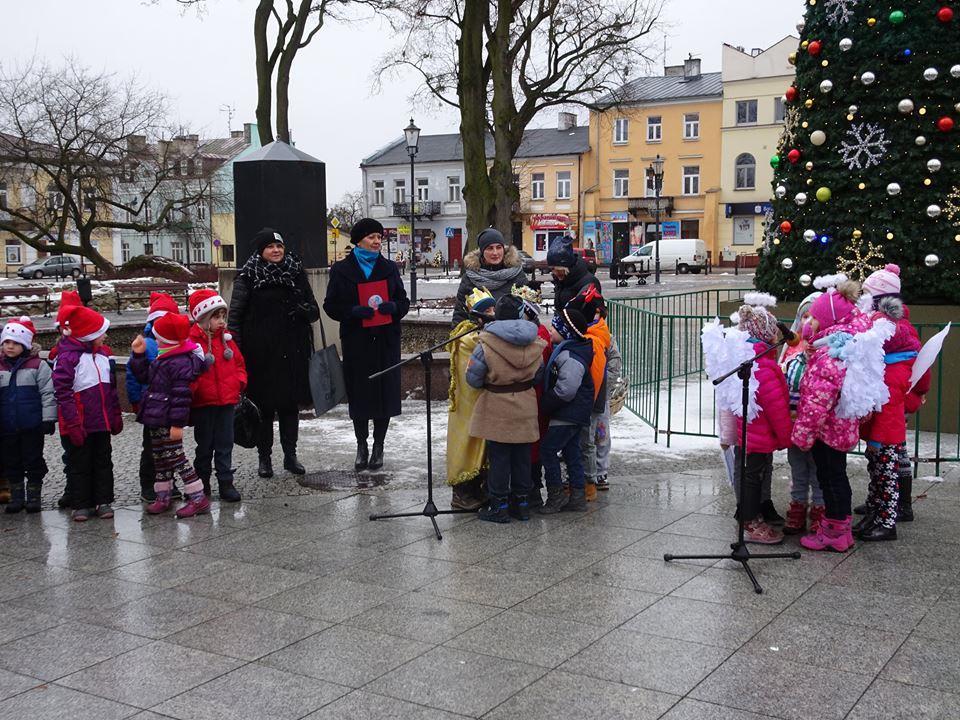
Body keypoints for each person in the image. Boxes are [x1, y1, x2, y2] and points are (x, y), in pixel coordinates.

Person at [792, 276, 881, 552]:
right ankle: (838, 526)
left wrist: (803, 435)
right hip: (841, 427)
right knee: (836, 477)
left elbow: (817, 402)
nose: (809, 324)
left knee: (830, 480)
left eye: (814, 320)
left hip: (827, 430)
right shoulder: (843, 348)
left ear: (829, 322)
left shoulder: (829, 357)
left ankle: (834, 532)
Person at [229, 228, 320, 478]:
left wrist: (305, 311)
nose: (276, 250)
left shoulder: (296, 272)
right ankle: (264, 458)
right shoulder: (247, 277)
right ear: (261, 251)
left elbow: (314, 311)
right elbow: (234, 317)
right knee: (264, 409)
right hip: (259, 354)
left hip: (293, 351)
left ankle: (290, 456)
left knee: (290, 408)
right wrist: (236, 350)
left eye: (279, 246)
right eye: (270, 246)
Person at [323, 218, 410, 471]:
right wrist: (352, 311)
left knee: (384, 395)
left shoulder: (389, 268)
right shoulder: (341, 270)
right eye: (372, 237)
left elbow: (403, 301)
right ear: (359, 239)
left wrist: (394, 308)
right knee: (360, 395)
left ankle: (379, 446)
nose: (376, 242)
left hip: (385, 341)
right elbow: (330, 305)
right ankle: (362, 445)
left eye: (379, 238)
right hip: (356, 342)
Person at [465, 294, 546, 522]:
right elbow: (539, 374)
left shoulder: (486, 343)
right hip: (526, 405)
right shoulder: (534, 341)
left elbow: (473, 378)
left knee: (499, 457)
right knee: (522, 456)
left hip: (497, 407)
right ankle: (521, 504)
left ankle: (499, 506)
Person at [854, 293, 920, 542]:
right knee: (878, 474)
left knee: (886, 476)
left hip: (887, 434)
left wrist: (877, 439)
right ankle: (875, 514)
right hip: (878, 432)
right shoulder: (884, 363)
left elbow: (908, 393)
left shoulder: (896, 366)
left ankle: (886, 521)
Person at [130, 312, 208, 518]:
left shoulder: (179, 363)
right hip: (155, 417)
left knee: (177, 458)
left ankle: (198, 496)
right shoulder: (163, 358)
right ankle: (162, 494)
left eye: (157, 337)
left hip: (167, 419)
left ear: (165, 339)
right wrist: (138, 355)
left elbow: (182, 398)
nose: (155, 340)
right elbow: (144, 377)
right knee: (160, 459)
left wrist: (177, 425)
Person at [53, 305, 123, 522]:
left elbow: (111, 390)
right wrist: (73, 424)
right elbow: (63, 393)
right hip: (80, 424)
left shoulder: (103, 356)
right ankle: (81, 503)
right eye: (101, 332)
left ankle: (103, 501)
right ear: (88, 335)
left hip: (101, 422)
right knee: (79, 463)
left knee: (103, 461)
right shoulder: (68, 359)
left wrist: (115, 415)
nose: (105, 336)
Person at [731, 300, 793, 544]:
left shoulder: (752, 358)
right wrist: (787, 437)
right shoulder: (763, 365)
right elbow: (776, 408)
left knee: (752, 475)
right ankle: (750, 522)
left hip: (753, 432)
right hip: (758, 434)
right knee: (752, 477)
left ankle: (752, 518)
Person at [188, 289, 246, 502]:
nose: (222, 322)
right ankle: (201, 483)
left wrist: (239, 382)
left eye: (223, 316)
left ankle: (225, 482)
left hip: (227, 401)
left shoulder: (227, 341)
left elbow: (239, 364)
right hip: (204, 402)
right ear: (203, 319)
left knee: (225, 444)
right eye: (216, 317)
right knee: (204, 445)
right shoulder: (193, 344)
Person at [126, 292, 180, 503]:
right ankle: (148, 484)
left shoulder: (177, 343)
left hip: (171, 404)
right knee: (151, 447)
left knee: (171, 446)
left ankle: (168, 482)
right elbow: (133, 375)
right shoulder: (147, 345)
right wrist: (136, 402)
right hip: (151, 405)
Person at [539, 307, 594, 514]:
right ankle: (578, 496)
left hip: (568, 412)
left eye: (555, 327)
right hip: (573, 412)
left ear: (566, 332)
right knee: (572, 452)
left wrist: (546, 403)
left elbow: (566, 390)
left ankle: (556, 496)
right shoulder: (571, 349)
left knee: (548, 450)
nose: (551, 331)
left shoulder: (571, 356)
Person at [447, 288, 497, 510]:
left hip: (482, 402)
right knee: (468, 443)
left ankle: (479, 488)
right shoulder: (468, 338)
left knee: (482, 444)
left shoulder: (482, 334)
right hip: (469, 404)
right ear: (476, 315)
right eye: (487, 310)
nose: (493, 313)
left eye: (494, 308)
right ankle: (463, 493)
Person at [1, 317, 55, 513]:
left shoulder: (37, 366)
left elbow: (48, 393)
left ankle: (33, 495)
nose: (10, 346)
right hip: (7, 425)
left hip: (31, 425)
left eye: (15, 343)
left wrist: (48, 418)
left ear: (24, 345)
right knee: (11, 461)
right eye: (6, 342)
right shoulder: (1, 366)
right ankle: (16, 496)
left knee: (33, 460)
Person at [781, 303, 825, 536]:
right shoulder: (793, 363)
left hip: (818, 430)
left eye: (815, 341)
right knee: (798, 469)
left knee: (817, 471)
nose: (811, 346)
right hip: (796, 429)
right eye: (807, 341)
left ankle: (819, 510)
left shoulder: (825, 364)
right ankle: (797, 507)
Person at [566, 286, 611, 502]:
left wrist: (605, 385)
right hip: (584, 396)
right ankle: (580, 479)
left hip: (593, 398)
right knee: (582, 440)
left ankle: (591, 479)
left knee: (591, 440)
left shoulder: (599, 336)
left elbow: (611, 365)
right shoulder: (585, 332)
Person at [452, 228, 528, 325]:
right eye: (490, 248)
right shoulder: (470, 277)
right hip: (478, 336)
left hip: (511, 335)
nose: (495, 253)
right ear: (482, 251)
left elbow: (528, 312)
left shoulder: (517, 274)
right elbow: (460, 314)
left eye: (499, 247)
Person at [546, 235, 601, 313]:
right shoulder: (563, 281)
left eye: (558, 270)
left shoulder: (589, 282)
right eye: (552, 269)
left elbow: (594, 315)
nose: (555, 273)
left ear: (567, 267)